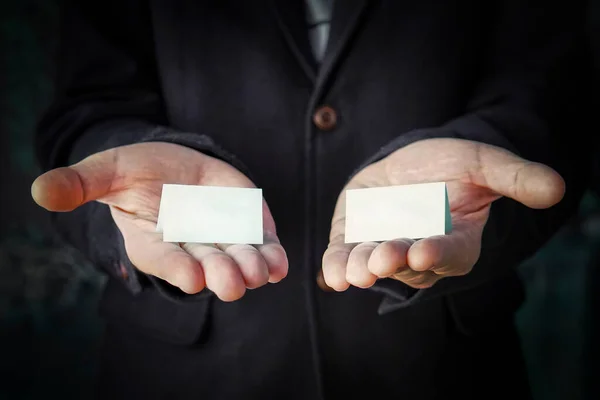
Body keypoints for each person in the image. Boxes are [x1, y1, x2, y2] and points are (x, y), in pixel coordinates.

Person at [31, 1, 593, 399]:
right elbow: (88, 108)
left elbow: (550, 103)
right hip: (184, 373)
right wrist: (127, 192)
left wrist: (488, 158)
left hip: (442, 367)